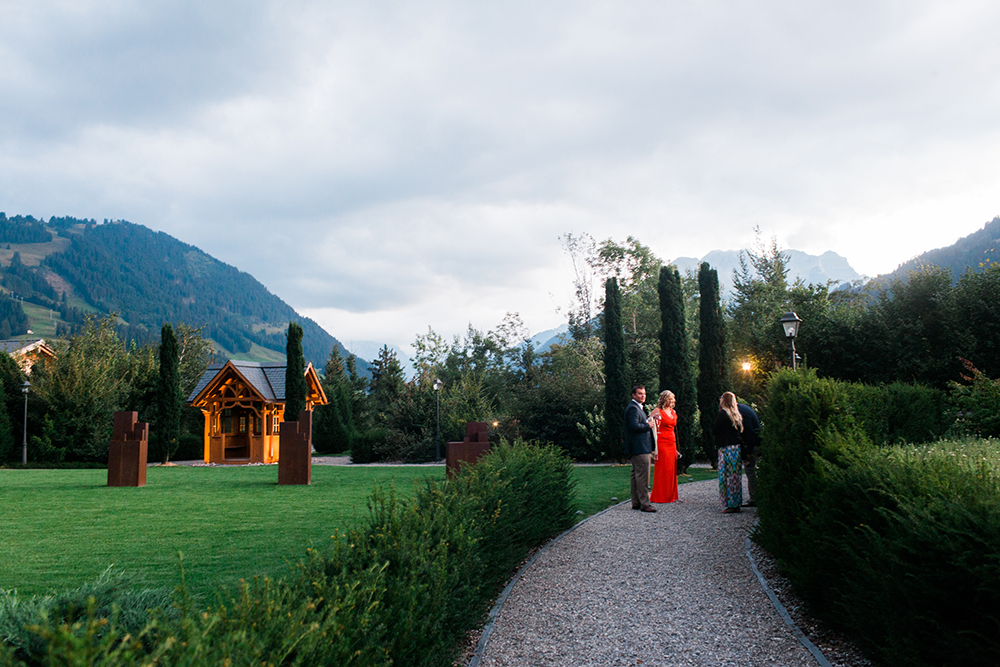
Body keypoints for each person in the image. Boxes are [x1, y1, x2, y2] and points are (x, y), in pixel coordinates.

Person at [624, 384, 656, 512]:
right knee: (643, 476)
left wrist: (648, 420)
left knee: (636, 475)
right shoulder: (633, 408)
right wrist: (648, 425)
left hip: (639, 446)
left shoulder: (637, 408)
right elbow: (634, 426)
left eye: (644, 393)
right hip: (640, 447)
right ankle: (645, 504)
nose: (643, 396)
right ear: (633, 395)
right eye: (640, 393)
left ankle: (636, 502)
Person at [713, 391, 744, 513]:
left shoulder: (722, 414)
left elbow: (715, 430)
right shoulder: (736, 415)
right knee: (735, 476)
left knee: (725, 476)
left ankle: (728, 503)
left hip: (725, 448)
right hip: (735, 448)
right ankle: (736, 502)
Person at [650, 390, 680, 503]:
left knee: (671, 470)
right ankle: (660, 496)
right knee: (663, 469)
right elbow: (649, 422)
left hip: (672, 442)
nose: (672, 401)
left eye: (673, 399)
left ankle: (670, 495)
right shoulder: (658, 411)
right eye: (670, 399)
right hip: (662, 442)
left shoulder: (673, 411)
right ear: (664, 399)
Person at [737, 402, 761, 507]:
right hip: (755, 442)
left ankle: (755, 497)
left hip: (754, 444)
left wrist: (748, 452)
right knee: (751, 469)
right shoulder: (744, 409)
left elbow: (750, 433)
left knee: (750, 469)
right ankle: (755, 496)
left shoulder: (743, 413)